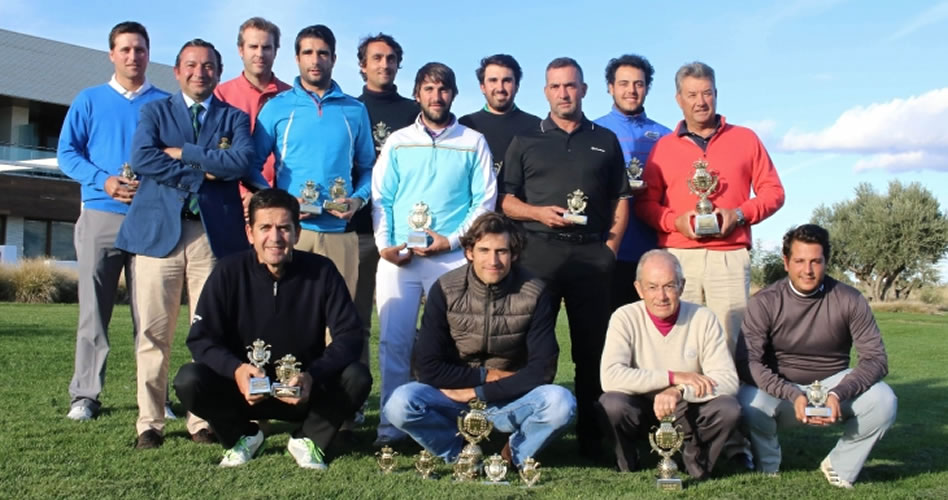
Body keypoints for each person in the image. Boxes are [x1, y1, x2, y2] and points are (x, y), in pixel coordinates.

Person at [116, 39, 258, 449]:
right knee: (153, 334)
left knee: (209, 334)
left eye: (209, 66)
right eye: (191, 65)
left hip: (211, 238)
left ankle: (202, 420)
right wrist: (203, 173)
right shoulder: (154, 111)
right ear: (177, 71)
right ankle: (150, 423)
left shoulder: (233, 118)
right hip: (158, 234)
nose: (200, 72)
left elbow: (240, 163)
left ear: (218, 71)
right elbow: (143, 159)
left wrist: (184, 153)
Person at [174, 189, 371, 469]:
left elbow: (349, 336)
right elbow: (201, 339)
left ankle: (309, 438)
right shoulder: (228, 272)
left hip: (301, 390)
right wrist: (236, 370)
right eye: (265, 227)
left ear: (297, 232)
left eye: (284, 228)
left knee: (357, 376)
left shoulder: (322, 271)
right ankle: (243, 436)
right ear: (250, 233)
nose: (275, 238)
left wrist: (313, 375)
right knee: (189, 379)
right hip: (245, 391)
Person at [499, 57, 630, 458]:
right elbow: (506, 201)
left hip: (591, 257)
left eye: (570, 86)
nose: (563, 93)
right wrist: (538, 213)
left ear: (584, 89)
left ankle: (594, 441)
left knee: (592, 351)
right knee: (531, 349)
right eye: (555, 86)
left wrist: (610, 250)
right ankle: (528, 436)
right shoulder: (526, 139)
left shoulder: (605, 139)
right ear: (545, 92)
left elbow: (620, 199)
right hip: (537, 256)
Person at [384, 213, 575, 468]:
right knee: (399, 403)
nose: (493, 260)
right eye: (484, 250)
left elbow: (543, 370)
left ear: (514, 254)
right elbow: (426, 367)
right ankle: (461, 455)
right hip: (451, 397)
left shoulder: (535, 291)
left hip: (509, 399)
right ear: (469, 252)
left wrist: (478, 391)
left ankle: (511, 456)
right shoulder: (445, 289)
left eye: (502, 251)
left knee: (560, 403)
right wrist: (487, 376)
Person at [371, 62, 496, 446]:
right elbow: (382, 197)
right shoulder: (397, 140)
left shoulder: (473, 141)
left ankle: (454, 421)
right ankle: (391, 427)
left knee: (458, 345)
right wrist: (385, 245)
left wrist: (454, 241)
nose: (436, 96)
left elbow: (485, 201)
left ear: (454, 94)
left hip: (451, 257)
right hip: (400, 258)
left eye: (443, 89)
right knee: (395, 341)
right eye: (428, 89)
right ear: (417, 94)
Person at [58, 21, 169, 422]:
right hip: (100, 216)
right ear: (111, 54)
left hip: (150, 221)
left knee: (152, 317)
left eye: (139, 49)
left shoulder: (164, 103)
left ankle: (155, 400)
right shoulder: (88, 101)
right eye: (125, 49)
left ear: (148, 52)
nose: (133, 56)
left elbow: (174, 156)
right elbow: (67, 154)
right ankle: (85, 395)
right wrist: (102, 180)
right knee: (93, 313)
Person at [636, 61, 785, 354]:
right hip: (678, 256)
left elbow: (774, 192)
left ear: (716, 94)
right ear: (679, 99)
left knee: (730, 343)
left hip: (729, 256)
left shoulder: (746, 139)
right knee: (679, 344)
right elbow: (644, 204)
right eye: (691, 95)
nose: (700, 102)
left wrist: (739, 214)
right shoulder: (663, 148)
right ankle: (682, 400)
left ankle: (727, 400)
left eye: (706, 93)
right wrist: (673, 222)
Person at [736, 224, 897, 488]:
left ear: (826, 262)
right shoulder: (764, 301)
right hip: (783, 390)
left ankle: (840, 466)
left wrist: (837, 394)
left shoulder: (850, 299)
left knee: (884, 401)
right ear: (786, 262)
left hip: (834, 387)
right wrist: (792, 394)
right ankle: (768, 465)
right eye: (799, 261)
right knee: (746, 401)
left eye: (815, 261)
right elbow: (747, 362)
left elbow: (876, 359)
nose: (807, 270)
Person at [253, 24, 375, 298]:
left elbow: (369, 168)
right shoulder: (277, 107)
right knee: (288, 319)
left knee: (338, 324)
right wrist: (278, 204)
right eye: (308, 52)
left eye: (323, 53)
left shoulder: (354, 110)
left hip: (340, 233)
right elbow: (251, 165)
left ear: (334, 58)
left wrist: (357, 200)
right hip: (291, 234)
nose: (315, 60)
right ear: (297, 58)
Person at [598, 250, 740, 479]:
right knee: (611, 403)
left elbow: (728, 381)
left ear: (682, 286)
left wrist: (679, 390)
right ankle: (627, 460)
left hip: (685, 408)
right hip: (641, 406)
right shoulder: (624, 317)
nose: (661, 296)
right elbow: (610, 377)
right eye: (652, 287)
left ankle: (695, 461)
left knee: (728, 408)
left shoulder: (703, 318)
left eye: (669, 286)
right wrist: (672, 377)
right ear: (638, 288)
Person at [350, 33, 418, 412]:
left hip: (407, 232)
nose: (384, 64)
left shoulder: (413, 112)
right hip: (359, 229)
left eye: (391, 58)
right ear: (362, 64)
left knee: (410, 325)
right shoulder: (350, 108)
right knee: (357, 322)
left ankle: (414, 398)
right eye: (376, 58)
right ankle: (358, 402)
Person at [594, 54, 671, 310]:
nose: (631, 90)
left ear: (647, 87)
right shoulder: (593, 133)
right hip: (608, 251)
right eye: (624, 83)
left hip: (652, 253)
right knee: (607, 337)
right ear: (610, 87)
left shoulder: (666, 137)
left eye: (638, 84)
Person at [214, 17, 291, 190]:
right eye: (253, 47)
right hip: (233, 198)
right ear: (241, 50)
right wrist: (244, 196)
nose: (260, 54)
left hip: (281, 200)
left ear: (275, 51)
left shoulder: (292, 98)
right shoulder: (220, 96)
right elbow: (212, 155)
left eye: (266, 47)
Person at [458, 54, 540, 175]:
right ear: (482, 87)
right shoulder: (465, 126)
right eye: (493, 80)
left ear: (517, 86)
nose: (500, 88)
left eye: (506, 81)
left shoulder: (536, 127)